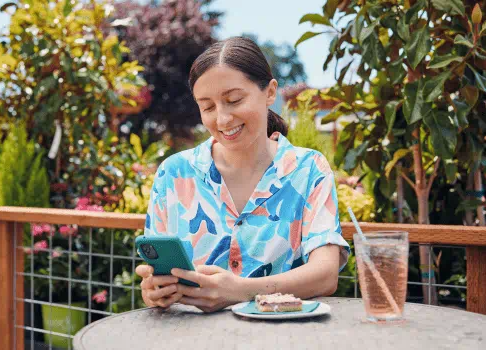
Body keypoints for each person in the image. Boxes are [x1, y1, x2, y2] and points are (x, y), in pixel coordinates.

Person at [135, 36, 350, 313]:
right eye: (208, 107)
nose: (223, 119)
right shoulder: (173, 173)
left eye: (234, 100)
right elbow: (158, 277)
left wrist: (239, 291)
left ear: (270, 92)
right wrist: (154, 292)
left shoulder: (308, 169)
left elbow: (325, 274)